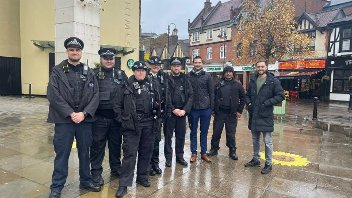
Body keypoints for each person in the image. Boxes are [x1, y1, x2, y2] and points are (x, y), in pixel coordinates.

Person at [47, 37, 100, 198]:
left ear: (81, 52)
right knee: (62, 154)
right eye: (71, 49)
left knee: (85, 152)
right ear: (67, 51)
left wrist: (83, 114)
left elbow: (95, 96)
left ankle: (85, 180)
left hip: (84, 121)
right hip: (64, 121)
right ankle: (57, 186)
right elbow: (53, 95)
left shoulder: (89, 72)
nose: (75, 52)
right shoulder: (57, 70)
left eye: (77, 50)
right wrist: (71, 113)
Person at [114, 61, 161, 198]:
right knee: (129, 155)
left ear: (146, 72)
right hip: (132, 125)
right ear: (133, 71)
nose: (141, 72)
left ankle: (142, 177)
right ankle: (124, 184)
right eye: (138, 70)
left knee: (146, 152)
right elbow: (117, 106)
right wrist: (123, 121)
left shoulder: (152, 84)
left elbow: (160, 101)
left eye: (143, 70)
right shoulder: (125, 85)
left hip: (149, 123)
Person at [90, 48, 128, 186]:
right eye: (105, 58)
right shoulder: (93, 74)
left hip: (116, 119)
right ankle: (96, 173)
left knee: (115, 145)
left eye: (111, 58)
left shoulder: (121, 74)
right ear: (101, 59)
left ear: (114, 60)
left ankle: (116, 169)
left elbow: (127, 95)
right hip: (99, 119)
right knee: (97, 146)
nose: (108, 61)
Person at [244, 60, 284, 174]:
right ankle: (256, 159)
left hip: (266, 115)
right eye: (258, 66)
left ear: (266, 67)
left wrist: (267, 103)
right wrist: (249, 103)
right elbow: (247, 95)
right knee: (255, 139)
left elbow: (280, 96)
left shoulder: (273, 81)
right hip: (254, 115)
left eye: (262, 66)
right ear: (256, 68)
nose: (260, 68)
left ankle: (268, 163)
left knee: (267, 141)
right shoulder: (252, 80)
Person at [208, 66, 245, 160]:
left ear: (233, 73)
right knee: (216, 132)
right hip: (220, 112)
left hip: (231, 114)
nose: (228, 73)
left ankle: (232, 150)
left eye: (230, 72)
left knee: (231, 133)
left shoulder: (237, 84)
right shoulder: (218, 83)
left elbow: (243, 98)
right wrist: (213, 110)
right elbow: (213, 97)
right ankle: (214, 149)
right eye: (226, 72)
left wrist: (239, 110)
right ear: (223, 73)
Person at [164, 57, 193, 167]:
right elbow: (165, 96)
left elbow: (191, 95)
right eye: (174, 66)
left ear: (181, 67)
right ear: (171, 67)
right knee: (168, 137)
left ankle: (180, 157)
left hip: (182, 112)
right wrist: (173, 109)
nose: (176, 68)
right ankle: (168, 159)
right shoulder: (166, 79)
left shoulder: (186, 79)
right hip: (170, 113)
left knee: (180, 136)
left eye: (178, 66)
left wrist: (184, 110)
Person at [187, 56, 214, 163]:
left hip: (205, 108)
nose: (197, 64)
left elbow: (211, 92)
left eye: (199, 62)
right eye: (196, 62)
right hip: (193, 108)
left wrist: (211, 107)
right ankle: (194, 153)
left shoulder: (207, 76)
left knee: (204, 131)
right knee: (193, 131)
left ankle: (203, 153)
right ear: (193, 63)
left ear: (202, 64)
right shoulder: (188, 76)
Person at [147, 56, 168, 175]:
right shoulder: (145, 75)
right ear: (149, 65)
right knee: (148, 141)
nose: (156, 66)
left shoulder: (163, 76)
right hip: (148, 114)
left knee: (156, 140)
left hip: (159, 114)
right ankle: (148, 165)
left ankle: (155, 164)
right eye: (153, 64)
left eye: (158, 65)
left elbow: (167, 93)